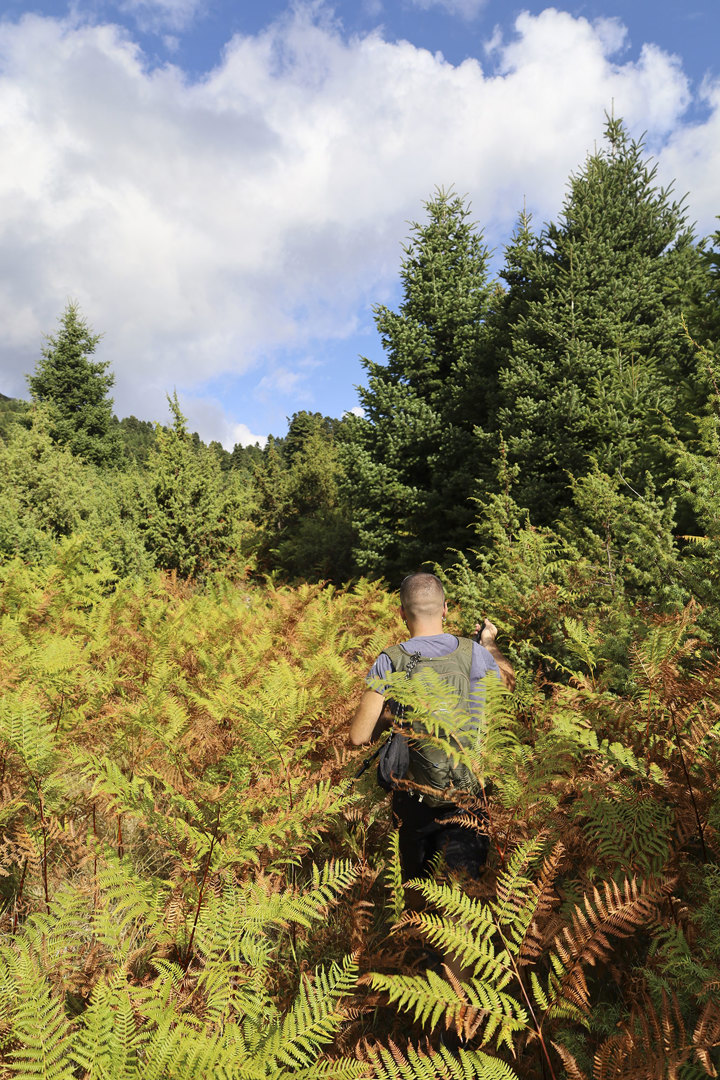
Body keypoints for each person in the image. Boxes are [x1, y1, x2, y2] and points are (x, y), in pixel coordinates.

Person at [350, 572, 514, 880]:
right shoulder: (475, 652)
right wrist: (489, 642)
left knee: (417, 898)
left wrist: (394, 717)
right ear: (445, 608)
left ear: (401, 612)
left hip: (413, 799)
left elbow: (358, 736)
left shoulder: (391, 660)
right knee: (462, 901)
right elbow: (507, 682)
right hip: (469, 796)